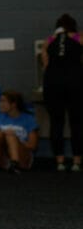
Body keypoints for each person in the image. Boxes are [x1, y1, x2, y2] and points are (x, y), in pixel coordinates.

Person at [40, 13, 82, 172]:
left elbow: (45, 66)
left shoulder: (49, 41)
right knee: (77, 122)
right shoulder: (79, 38)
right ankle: (77, 161)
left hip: (53, 84)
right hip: (75, 83)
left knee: (56, 123)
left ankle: (60, 161)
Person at [0, 90, 38, 172]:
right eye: (0, 101)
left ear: (13, 104)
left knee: (10, 136)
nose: (1, 104)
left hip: (22, 155)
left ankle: (15, 164)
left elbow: (32, 146)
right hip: (2, 155)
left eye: (4, 101)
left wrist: (15, 138)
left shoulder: (28, 119)